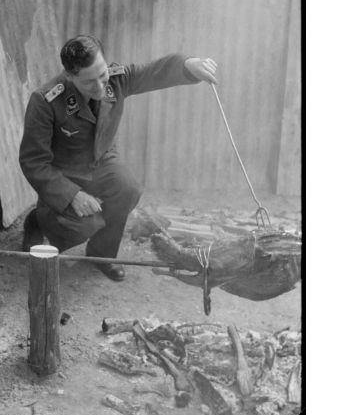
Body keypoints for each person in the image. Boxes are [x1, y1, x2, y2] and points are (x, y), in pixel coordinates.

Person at [18, 34, 217, 281]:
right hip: (64, 173)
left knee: (128, 189)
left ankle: (101, 255)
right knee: (85, 225)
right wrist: (72, 195)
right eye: (90, 82)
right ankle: (38, 221)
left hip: (102, 163)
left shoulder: (116, 79)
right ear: (70, 76)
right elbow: (33, 161)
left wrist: (188, 65)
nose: (101, 87)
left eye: (102, 75)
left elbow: (154, 71)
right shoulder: (45, 100)